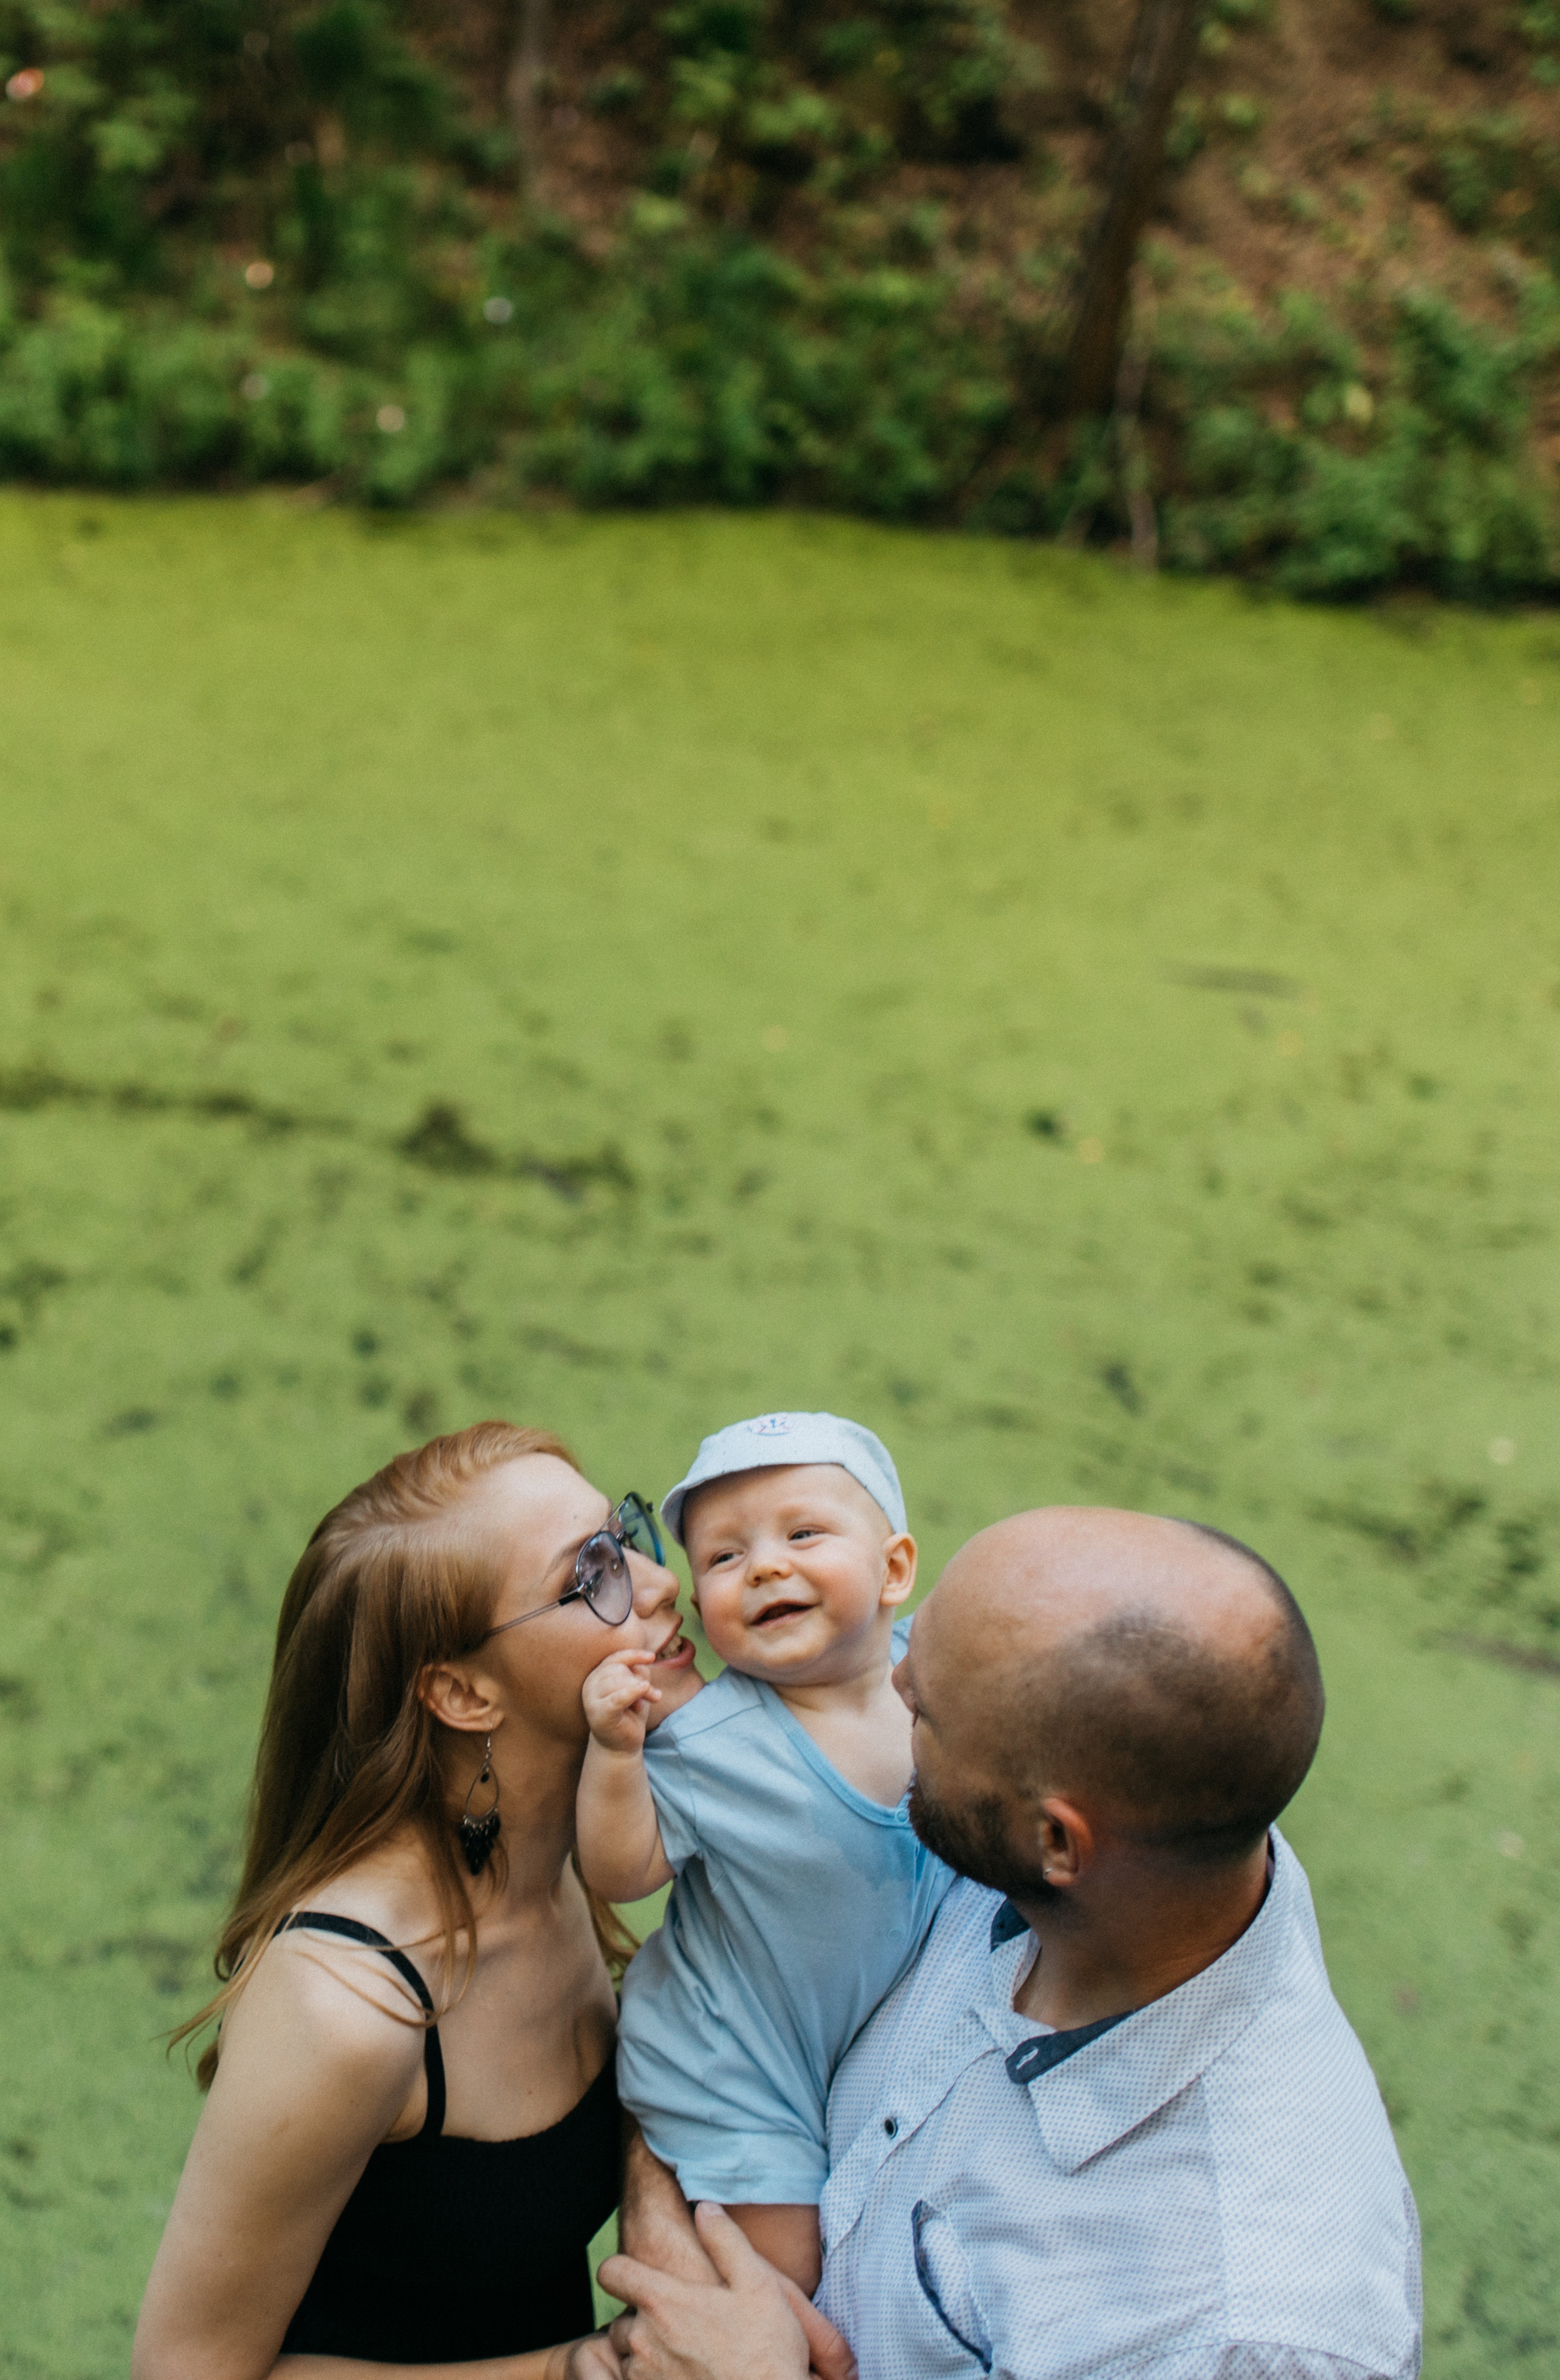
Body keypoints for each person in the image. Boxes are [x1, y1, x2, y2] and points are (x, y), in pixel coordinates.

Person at [597, 1506, 1423, 2380]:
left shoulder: (1244, 2325)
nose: (896, 1675)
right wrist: (662, 2202)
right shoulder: (1096, 1861)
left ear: (1057, 1843)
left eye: (924, 1709)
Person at [133, 1421, 702, 2380]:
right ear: (463, 1693)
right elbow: (183, 2372)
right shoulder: (348, 2003)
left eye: (627, 1533)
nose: (661, 1583)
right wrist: (587, 2370)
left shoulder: (563, 1851)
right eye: (592, 1572)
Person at [574, 1412, 955, 2294]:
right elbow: (621, 1871)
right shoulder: (714, 1742)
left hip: (855, 2037)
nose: (766, 1566)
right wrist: (617, 1753)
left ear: (896, 1567)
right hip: (734, 2056)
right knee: (784, 2273)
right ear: (703, 1608)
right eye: (722, 1558)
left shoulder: (936, 1681)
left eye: (804, 1533)